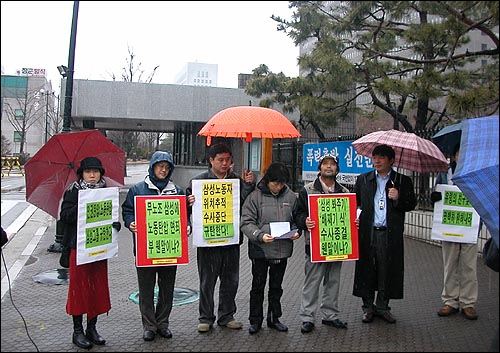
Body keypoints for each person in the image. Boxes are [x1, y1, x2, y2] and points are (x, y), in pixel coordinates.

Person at [186, 142, 255, 333]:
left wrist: (249, 184)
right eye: (220, 160)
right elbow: (184, 208)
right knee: (207, 282)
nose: (225, 163)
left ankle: (226, 316)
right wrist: (188, 202)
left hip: (231, 240)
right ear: (211, 161)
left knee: (230, 281)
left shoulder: (237, 181)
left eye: (228, 160)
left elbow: (245, 203)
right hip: (207, 242)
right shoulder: (198, 182)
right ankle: (205, 318)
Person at [122, 151, 187, 341]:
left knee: (167, 289)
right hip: (145, 250)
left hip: (170, 250)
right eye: (160, 167)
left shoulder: (177, 190)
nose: (163, 170)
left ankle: (163, 323)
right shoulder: (138, 189)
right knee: (146, 289)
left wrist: (187, 225)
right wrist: (130, 222)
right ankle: (149, 325)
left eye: (167, 167)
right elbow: (127, 210)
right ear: (152, 167)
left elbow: (185, 214)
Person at [59, 157, 121, 349]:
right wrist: (82, 206)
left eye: (96, 171)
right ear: (82, 174)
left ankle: (92, 328)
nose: (92, 175)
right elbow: (64, 216)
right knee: (79, 290)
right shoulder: (73, 191)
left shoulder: (105, 193)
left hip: (99, 248)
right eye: (88, 172)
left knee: (96, 289)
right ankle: (77, 331)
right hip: (79, 248)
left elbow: (110, 216)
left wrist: (114, 226)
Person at [353, 144, 416, 324]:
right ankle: (367, 307)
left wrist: (399, 198)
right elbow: (354, 202)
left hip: (389, 234)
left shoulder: (402, 181)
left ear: (391, 160)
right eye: (374, 157)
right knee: (366, 269)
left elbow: (411, 203)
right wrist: (356, 218)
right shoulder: (364, 179)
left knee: (386, 269)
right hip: (368, 232)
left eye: (381, 157)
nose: (377, 161)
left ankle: (383, 307)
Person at [240, 162, 302, 334]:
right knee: (258, 286)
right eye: (275, 183)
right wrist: (259, 235)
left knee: (276, 287)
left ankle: (274, 318)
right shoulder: (255, 196)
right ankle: (255, 320)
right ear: (268, 181)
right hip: (260, 249)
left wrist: (297, 231)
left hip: (282, 248)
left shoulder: (290, 197)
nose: (278, 187)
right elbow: (246, 222)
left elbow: (298, 218)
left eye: (282, 183)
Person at [296, 155, 350, 333]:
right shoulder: (307, 190)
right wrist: (305, 221)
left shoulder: (343, 191)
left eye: (332, 164)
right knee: (312, 281)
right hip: (314, 246)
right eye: (325, 164)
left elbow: (350, 215)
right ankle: (307, 317)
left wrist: (353, 222)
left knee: (333, 281)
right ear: (319, 168)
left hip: (336, 244)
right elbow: (297, 214)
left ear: (337, 168)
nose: (329, 167)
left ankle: (330, 315)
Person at [430, 144, 479, 320]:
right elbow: (435, 193)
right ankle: (450, 300)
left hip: (469, 228)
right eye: (459, 153)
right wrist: (434, 197)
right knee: (450, 265)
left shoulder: (475, 173)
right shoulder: (444, 173)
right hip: (448, 227)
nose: (462, 156)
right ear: (454, 155)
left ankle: (468, 303)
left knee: (469, 266)